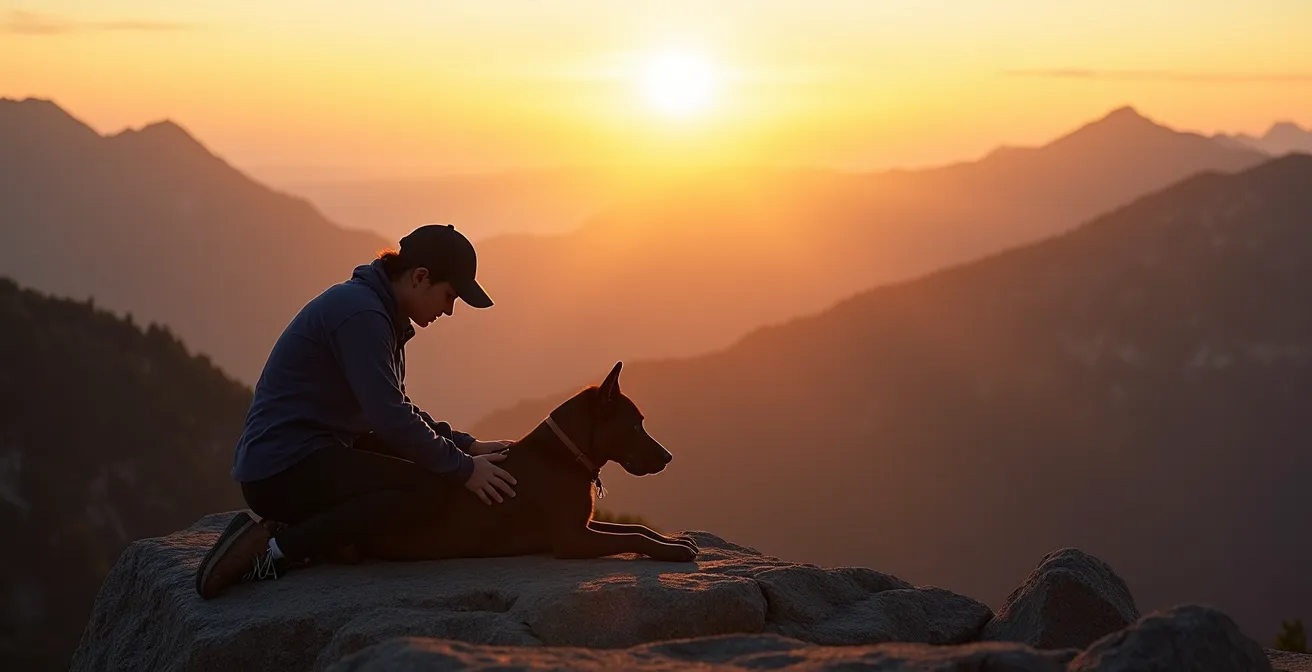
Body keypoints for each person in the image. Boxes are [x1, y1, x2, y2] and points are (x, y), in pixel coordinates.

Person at [195, 224, 517, 599]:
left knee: (427, 472)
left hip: (309, 455)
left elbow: (395, 410)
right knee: (426, 489)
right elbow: (389, 416)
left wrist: (467, 446)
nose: (448, 311)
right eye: (449, 296)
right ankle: (273, 552)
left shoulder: (378, 312)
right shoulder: (362, 315)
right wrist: (463, 468)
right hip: (282, 469)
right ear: (420, 277)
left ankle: (324, 536)